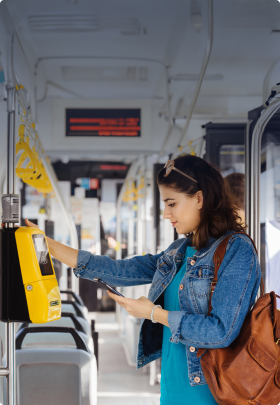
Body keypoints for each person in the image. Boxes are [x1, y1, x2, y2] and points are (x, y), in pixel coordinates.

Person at [24, 155, 261, 405]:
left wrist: (154, 313)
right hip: (173, 389)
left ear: (199, 199)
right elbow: (119, 269)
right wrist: (47, 246)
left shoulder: (237, 250)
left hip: (211, 394)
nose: (165, 213)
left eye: (171, 203)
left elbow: (221, 332)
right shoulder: (178, 251)